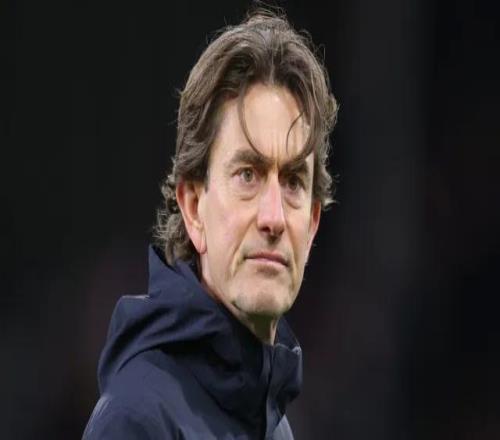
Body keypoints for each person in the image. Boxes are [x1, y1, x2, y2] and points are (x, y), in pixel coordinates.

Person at [83, 7, 338, 439]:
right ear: (193, 207)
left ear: (312, 224)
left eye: (294, 181)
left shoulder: (276, 426)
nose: (273, 217)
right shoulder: (136, 419)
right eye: (248, 175)